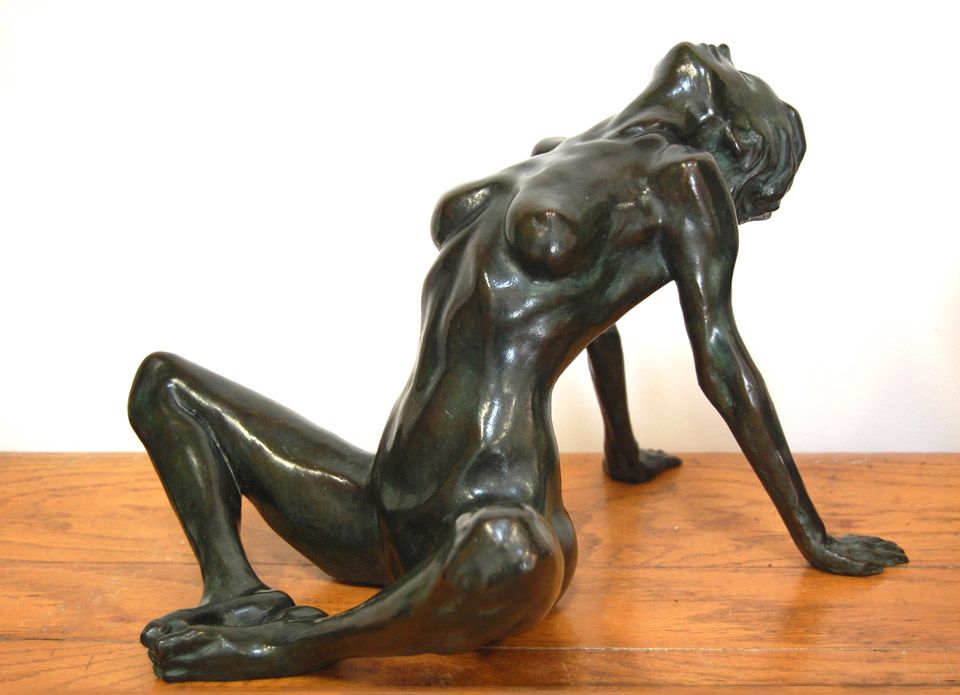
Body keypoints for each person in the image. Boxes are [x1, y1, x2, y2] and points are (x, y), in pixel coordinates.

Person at [128, 42, 906, 681]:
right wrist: (622, 448)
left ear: (739, 144)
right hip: (385, 502)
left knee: (511, 553)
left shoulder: (684, 179)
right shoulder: (559, 153)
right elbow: (600, 305)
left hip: (493, 511)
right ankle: (235, 590)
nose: (720, 52)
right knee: (166, 384)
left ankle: (287, 646)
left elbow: (722, 362)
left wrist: (815, 538)